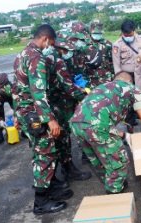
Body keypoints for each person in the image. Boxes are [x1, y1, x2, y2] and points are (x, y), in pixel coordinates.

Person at [70, 72, 141, 194]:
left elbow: (100, 118)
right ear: (130, 81)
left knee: (98, 159)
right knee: (119, 161)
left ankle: (113, 183)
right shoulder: (132, 89)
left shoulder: (101, 87)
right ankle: (116, 195)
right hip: (98, 126)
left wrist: (125, 135)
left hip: (76, 124)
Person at [12, 24, 72, 215]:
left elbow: (17, 87)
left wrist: (16, 113)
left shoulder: (22, 54)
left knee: (44, 150)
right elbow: (38, 93)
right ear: (45, 39)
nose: (51, 47)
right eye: (51, 43)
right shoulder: (36, 58)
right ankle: (41, 202)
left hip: (26, 112)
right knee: (44, 154)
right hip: (35, 113)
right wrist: (50, 120)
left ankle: (52, 188)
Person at [47, 39, 92, 181]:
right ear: (60, 49)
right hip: (58, 105)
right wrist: (85, 95)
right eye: (66, 51)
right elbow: (67, 86)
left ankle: (62, 169)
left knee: (57, 138)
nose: (68, 54)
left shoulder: (46, 58)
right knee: (63, 136)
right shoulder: (57, 61)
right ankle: (68, 169)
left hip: (50, 103)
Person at [113, 19, 141, 133]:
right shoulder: (117, 44)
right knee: (128, 101)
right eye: (125, 34)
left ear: (134, 30)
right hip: (127, 76)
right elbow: (116, 64)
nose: (128, 36)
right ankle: (130, 124)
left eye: (130, 34)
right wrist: (120, 81)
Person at [86, 21, 114, 88]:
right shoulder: (84, 45)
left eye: (99, 33)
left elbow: (112, 61)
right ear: (90, 31)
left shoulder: (108, 44)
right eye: (95, 33)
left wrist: (113, 75)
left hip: (107, 78)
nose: (97, 34)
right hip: (92, 80)